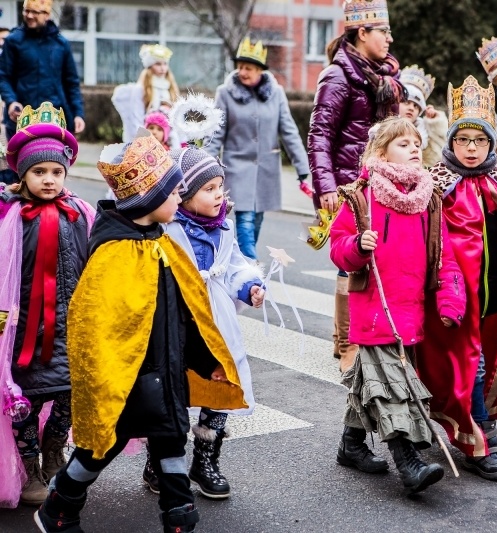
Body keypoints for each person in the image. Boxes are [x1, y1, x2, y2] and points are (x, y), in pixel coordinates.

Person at [34, 129, 247, 533]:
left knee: (171, 444)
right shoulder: (114, 254)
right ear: (150, 201)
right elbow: (94, 325)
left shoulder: (162, 245)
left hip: (165, 375)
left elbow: (188, 314)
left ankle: (179, 519)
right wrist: (107, 381)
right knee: (101, 448)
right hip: (127, 381)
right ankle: (58, 507)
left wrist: (205, 362)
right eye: (173, 194)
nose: (179, 199)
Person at [329, 117, 465, 493]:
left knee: (372, 382)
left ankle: (351, 444)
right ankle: (408, 462)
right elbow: (338, 247)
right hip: (374, 307)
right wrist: (357, 247)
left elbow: (444, 257)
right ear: (380, 151)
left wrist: (450, 300)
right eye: (404, 144)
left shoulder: (429, 199)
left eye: (417, 143)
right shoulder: (363, 195)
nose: (414, 149)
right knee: (393, 385)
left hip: (410, 308)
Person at [418, 76, 497, 481]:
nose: (471, 148)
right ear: (451, 143)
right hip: (451, 296)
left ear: (491, 145)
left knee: (482, 364)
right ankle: (481, 444)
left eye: (479, 141)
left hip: (490, 295)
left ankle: (472, 431)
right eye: (463, 140)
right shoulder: (435, 185)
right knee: (466, 365)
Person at [153, 134, 266, 500]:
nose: (219, 195)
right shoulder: (167, 229)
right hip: (178, 317)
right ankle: (160, 460)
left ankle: (205, 461)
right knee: (172, 388)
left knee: (219, 384)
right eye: (209, 189)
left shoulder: (225, 227)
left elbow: (234, 266)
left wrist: (249, 286)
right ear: (183, 196)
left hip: (216, 317)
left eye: (220, 186)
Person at [0, 102, 92, 508]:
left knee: (72, 393)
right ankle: (30, 463)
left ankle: (54, 449)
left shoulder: (79, 213)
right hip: (26, 330)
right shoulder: (13, 217)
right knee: (25, 399)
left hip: (72, 326)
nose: (50, 179)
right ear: (23, 175)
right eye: (39, 172)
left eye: (57, 172)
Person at [308, 0, 404, 374]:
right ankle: (345, 342)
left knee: (376, 255)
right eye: (384, 32)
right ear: (362, 33)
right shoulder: (337, 76)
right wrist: (327, 186)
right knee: (348, 260)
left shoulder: (385, 77)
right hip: (348, 184)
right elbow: (320, 135)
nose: (390, 39)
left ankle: (369, 336)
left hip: (379, 181)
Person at [205, 37, 309, 261]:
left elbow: (289, 131)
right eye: (240, 66)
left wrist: (303, 168)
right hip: (236, 170)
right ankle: (250, 271)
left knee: (256, 222)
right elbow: (216, 134)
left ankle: (238, 265)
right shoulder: (225, 93)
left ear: (260, 70)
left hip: (266, 172)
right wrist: (205, 167)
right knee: (244, 221)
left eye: (249, 68)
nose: (243, 71)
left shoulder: (276, 93)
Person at [0, 0, 84, 139]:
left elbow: (71, 83)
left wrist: (78, 114)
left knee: (54, 160)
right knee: (22, 161)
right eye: (26, 11)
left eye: (35, 12)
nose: (30, 15)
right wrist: (11, 101)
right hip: (22, 118)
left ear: (47, 14)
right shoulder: (13, 41)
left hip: (55, 119)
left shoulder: (60, 44)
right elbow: (4, 76)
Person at [112, 44, 180, 144]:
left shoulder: (170, 87)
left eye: (165, 64)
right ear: (150, 66)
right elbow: (136, 118)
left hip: (167, 140)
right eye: (158, 64)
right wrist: (143, 141)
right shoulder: (140, 89)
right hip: (147, 138)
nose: (162, 68)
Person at [399, 65, 447, 167]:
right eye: (406, 102)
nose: (411, 108)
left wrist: (435, 122)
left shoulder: (425, 131)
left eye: (416, 106)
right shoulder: (383, 128)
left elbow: (443, 146)